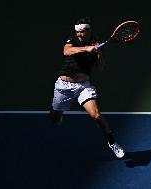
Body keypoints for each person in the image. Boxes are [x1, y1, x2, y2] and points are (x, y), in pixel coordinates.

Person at [49, 17, 125, 159]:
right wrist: (86, 48)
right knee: (55, 118)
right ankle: (58, 113)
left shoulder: (96, 42)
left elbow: (101, 67)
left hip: (84, 86)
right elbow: (66, 51)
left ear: (88, 30)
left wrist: (99, 53)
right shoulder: (72, 40)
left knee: (96, 115)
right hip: (64, 86)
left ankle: (112, 142)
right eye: (77, 32)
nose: (79, 34)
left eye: (82, 32)